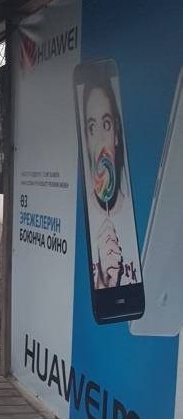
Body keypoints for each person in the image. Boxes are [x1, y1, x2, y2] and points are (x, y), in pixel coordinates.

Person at [81, 69, 140, 290]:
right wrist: (104, 283)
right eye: (92, 127)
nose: (100, 140)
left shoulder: (135, 215)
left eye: (106, 124)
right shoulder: (83, 220)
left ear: (116, 133)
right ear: (86, 140)